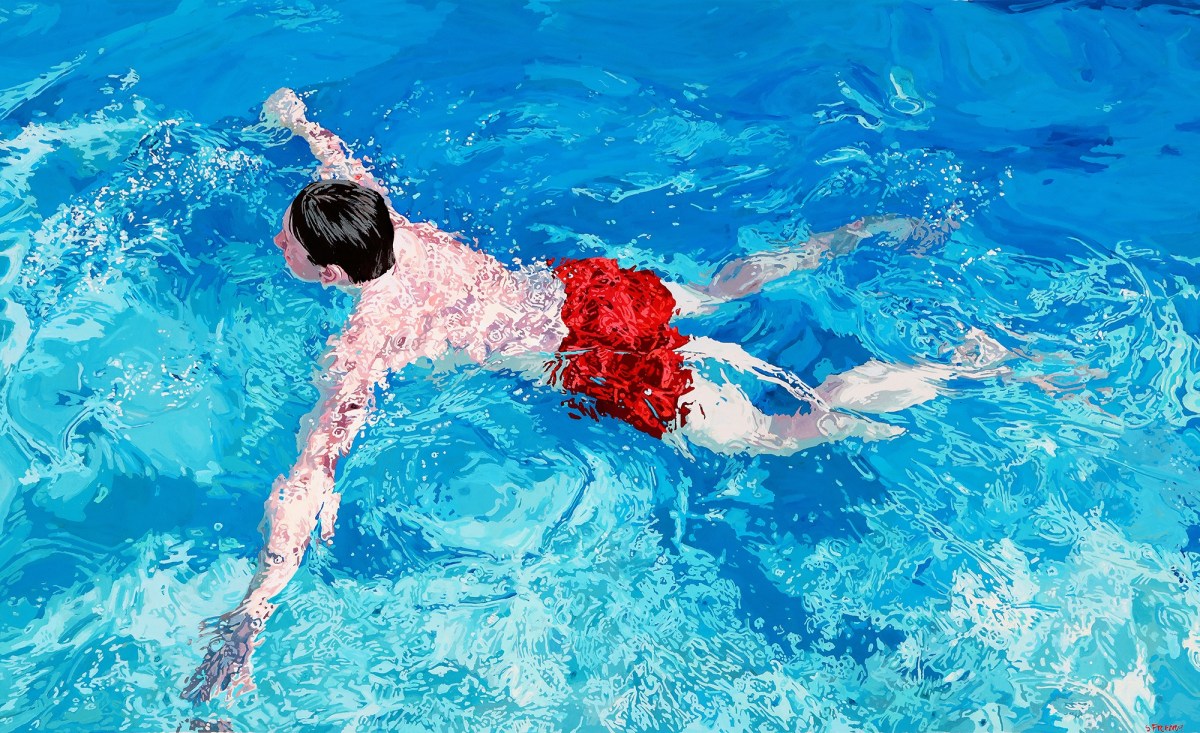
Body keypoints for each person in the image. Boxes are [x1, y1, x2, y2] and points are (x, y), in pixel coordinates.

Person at [181, 88, 1011, 703]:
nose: (278, 238)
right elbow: (338, 163)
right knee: (718, 293)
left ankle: (947, 373)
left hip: (596, 358)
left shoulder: (372, 333)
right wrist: (297, 120)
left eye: (288, 240)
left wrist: (252, 612)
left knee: (773, 430)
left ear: (332, 274)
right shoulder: (380, 213)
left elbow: (311, 474)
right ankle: (860, 236)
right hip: (587, 292)